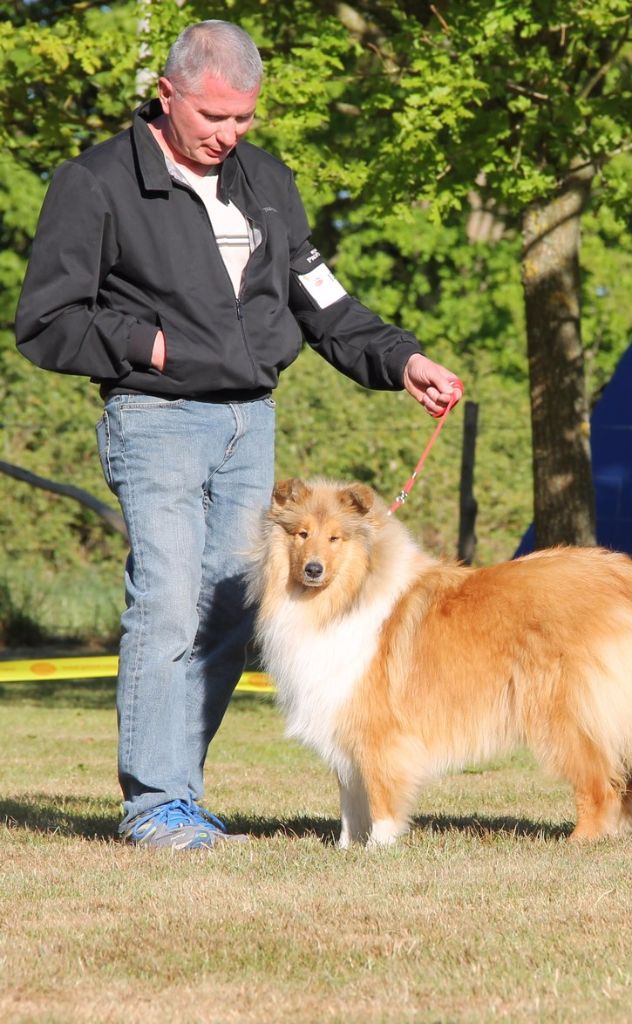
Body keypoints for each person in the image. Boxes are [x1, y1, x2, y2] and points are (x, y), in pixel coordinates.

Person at [15, 20, 462, 849]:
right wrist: (143, 345)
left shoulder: (267, 183)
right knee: (167, 600)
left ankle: (179, 795)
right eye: (213, 117)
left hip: (250, 422)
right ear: (169, 95)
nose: (228, 135)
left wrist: (402, 360)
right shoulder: (97, 182)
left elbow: (321, 303)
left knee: (227, 613)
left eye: (244, 120)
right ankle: (155, 805)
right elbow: (45, 322)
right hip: (155, 421)